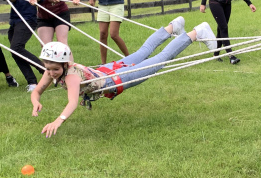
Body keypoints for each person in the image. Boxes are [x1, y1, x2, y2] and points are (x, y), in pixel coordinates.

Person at [31, 17, 217, 137]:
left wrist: (58, 120)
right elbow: (37, 91)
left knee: (159, 60)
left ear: (64, 64)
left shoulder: (71, 75)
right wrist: (35, 101)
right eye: (48, 68)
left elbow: (72, 102)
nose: (51, 72)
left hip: (115, 78)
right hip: (109, 70)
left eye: (55, 69)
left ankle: (197, 32)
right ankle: (173, 26)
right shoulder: (51, 71)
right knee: (144, 51)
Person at [5, 0, 45, 91]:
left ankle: (44, 70)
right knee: (15, 51)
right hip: (14, 19)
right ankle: (32, 82)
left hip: (28, 18)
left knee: (16, 47)